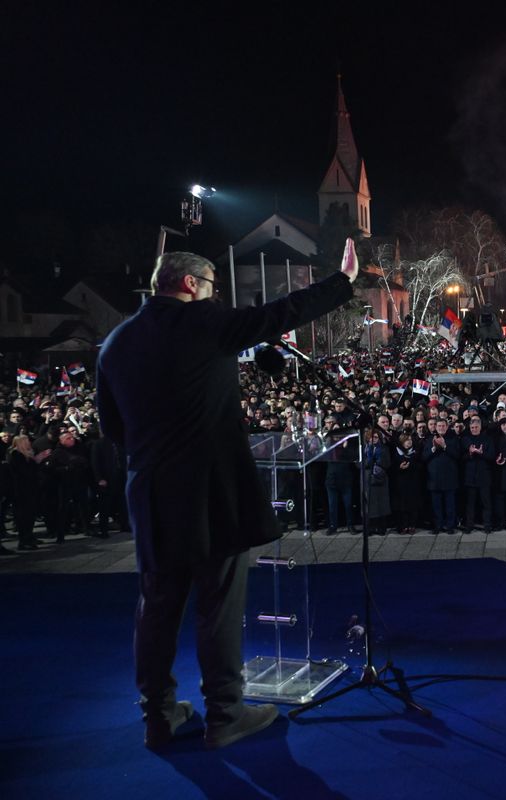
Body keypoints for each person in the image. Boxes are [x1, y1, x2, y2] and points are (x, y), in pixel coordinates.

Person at [95, 244, 357, 750]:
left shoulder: (116, 342)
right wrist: (342, 281)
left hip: (150, 493)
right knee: (217, 605)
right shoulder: (205, 323)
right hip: (212, 492)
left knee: (156, 606)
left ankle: (159, 716)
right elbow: (285, 311)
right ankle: (224, 715)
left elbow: (113, 429)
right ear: (191, 284)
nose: (216, 296)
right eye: (213, 286)